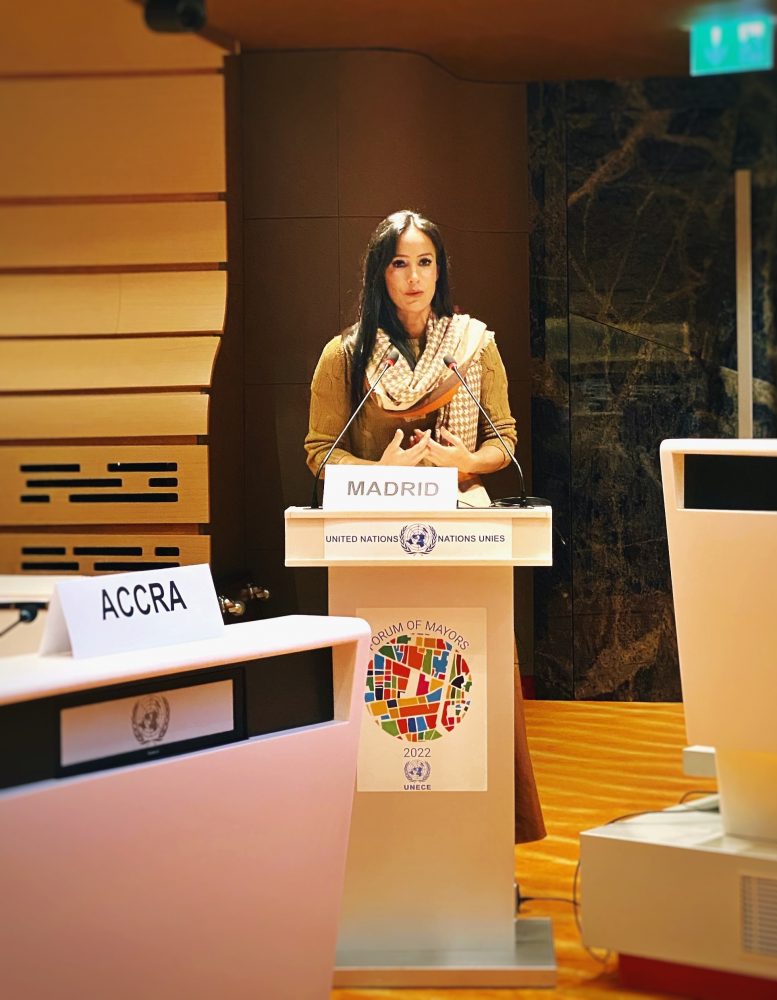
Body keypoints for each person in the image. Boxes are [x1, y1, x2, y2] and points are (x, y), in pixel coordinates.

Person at [304, 209, 545, 844]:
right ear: (378, 274)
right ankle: (377, 842)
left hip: (462, 522)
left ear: (440, 271)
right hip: (375, 531)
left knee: (477, 671)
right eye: (399, 263)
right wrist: (380, 468)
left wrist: (466, 460)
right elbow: (320, 451)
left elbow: (505, 442)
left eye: (425, 262)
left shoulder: (474, 345)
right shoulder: (345, 355)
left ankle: (480, 842)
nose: (414, 277)